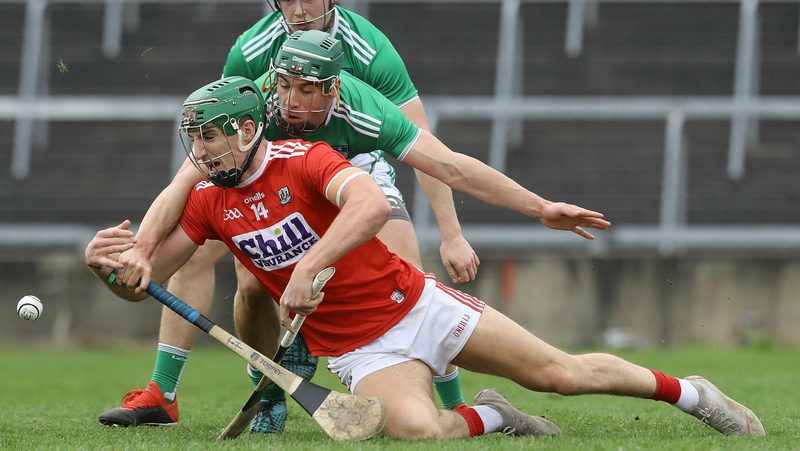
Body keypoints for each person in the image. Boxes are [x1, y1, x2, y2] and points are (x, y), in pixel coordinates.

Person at [86, 76, 765, 439]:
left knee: (563, 373)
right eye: (193, 140)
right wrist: (117, 271)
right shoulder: (207, 200)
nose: (201, 151)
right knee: (419, 432)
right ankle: (496, 416)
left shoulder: (307, 158)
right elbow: (151, 280)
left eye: (211, 136)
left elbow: (372, 207)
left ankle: (695, 393)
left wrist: (306, 266)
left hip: (419, 304)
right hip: (360, 352)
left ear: (245, 128)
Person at [98, 0, 478, 432]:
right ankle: (176, 393)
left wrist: (451, 233)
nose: (298, 9)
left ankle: (457, 401)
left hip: (353, 171)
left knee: (409, 279)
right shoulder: (252, 48)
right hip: (265, 174)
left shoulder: (370, 48)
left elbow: (426, 148)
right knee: (215, 266)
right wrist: (143, 249)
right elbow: (202, 161)